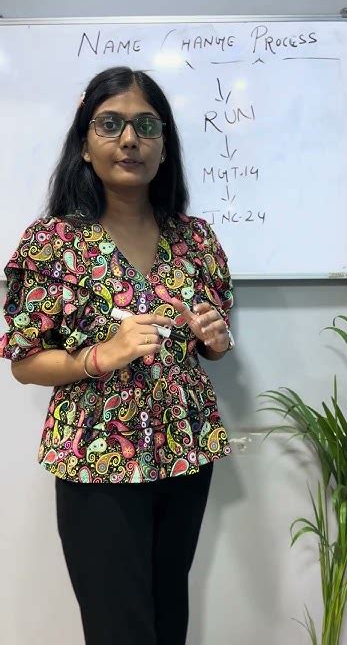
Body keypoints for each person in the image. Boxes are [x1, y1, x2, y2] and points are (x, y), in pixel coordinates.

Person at [0, 67, 234, 645]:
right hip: (97, 457)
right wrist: (103, 355)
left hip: (184, 451)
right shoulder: (52, 243)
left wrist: (215, 340)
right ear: (85, 144)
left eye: (146, 126)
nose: (130, 140)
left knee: (168, 618)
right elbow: (24, 362)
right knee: (118, 628)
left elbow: (210, 348)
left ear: (164, 147)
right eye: (110, 124)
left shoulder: (195, 239)